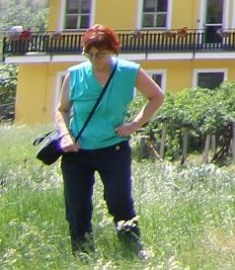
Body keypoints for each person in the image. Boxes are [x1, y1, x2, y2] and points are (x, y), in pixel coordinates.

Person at [52, 24, 161, 254]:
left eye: (99, 54)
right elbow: (61, 110)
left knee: (119, 203)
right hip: (77, 153)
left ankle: (132, 252)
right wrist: (65, 136)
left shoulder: (129, 71)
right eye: (89, 54)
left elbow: (156, 96)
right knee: (78, 209)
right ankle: (83, 258)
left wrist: (133, 125)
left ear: (112, 51)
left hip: (114, 150)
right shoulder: (74, 74)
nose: (94, 59)